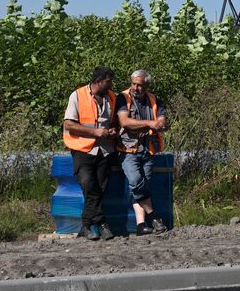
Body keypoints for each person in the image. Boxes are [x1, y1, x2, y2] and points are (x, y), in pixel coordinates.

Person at [62, 66, 119, 241]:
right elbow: (69, 124)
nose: (110, 85)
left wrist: (113, 131)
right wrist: (95, 133)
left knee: (99, 189)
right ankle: (102, 224)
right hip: (82, 149)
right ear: (98, 81)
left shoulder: (111, 97)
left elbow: (113, 121)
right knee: (89, 185)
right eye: (108, 81)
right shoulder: (77, 95)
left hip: (105, 150)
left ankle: (86, 226)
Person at [117, 69, 170, 236]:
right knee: (136, 182)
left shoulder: (154, 99)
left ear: (146, 85)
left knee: (141, 188)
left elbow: (161, 118)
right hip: (128, 149)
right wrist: (150, 123)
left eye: (139, 85)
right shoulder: (122, 98)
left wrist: (160, 123)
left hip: (148, 149)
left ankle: (141, 225)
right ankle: (154, 217)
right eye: (133, 84)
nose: (135, 87)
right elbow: (125, 122)